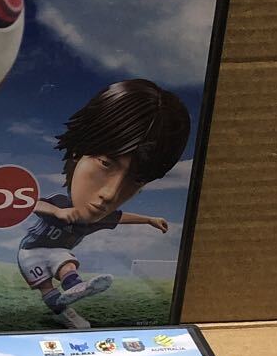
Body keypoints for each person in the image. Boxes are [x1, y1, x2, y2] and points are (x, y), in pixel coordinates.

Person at [16, 79, 189, 330]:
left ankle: (73, 290)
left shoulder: (97, 216)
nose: (110, 194)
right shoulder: (62, 204)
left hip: (57, 252)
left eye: (136, 180)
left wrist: (149, 220)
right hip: (29, 252)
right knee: (46, 287)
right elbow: (27, 204)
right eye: (106, 164)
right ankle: (67, 297)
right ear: (78, 152)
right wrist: (57, 211)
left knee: (65, 261)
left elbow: (120, 217)